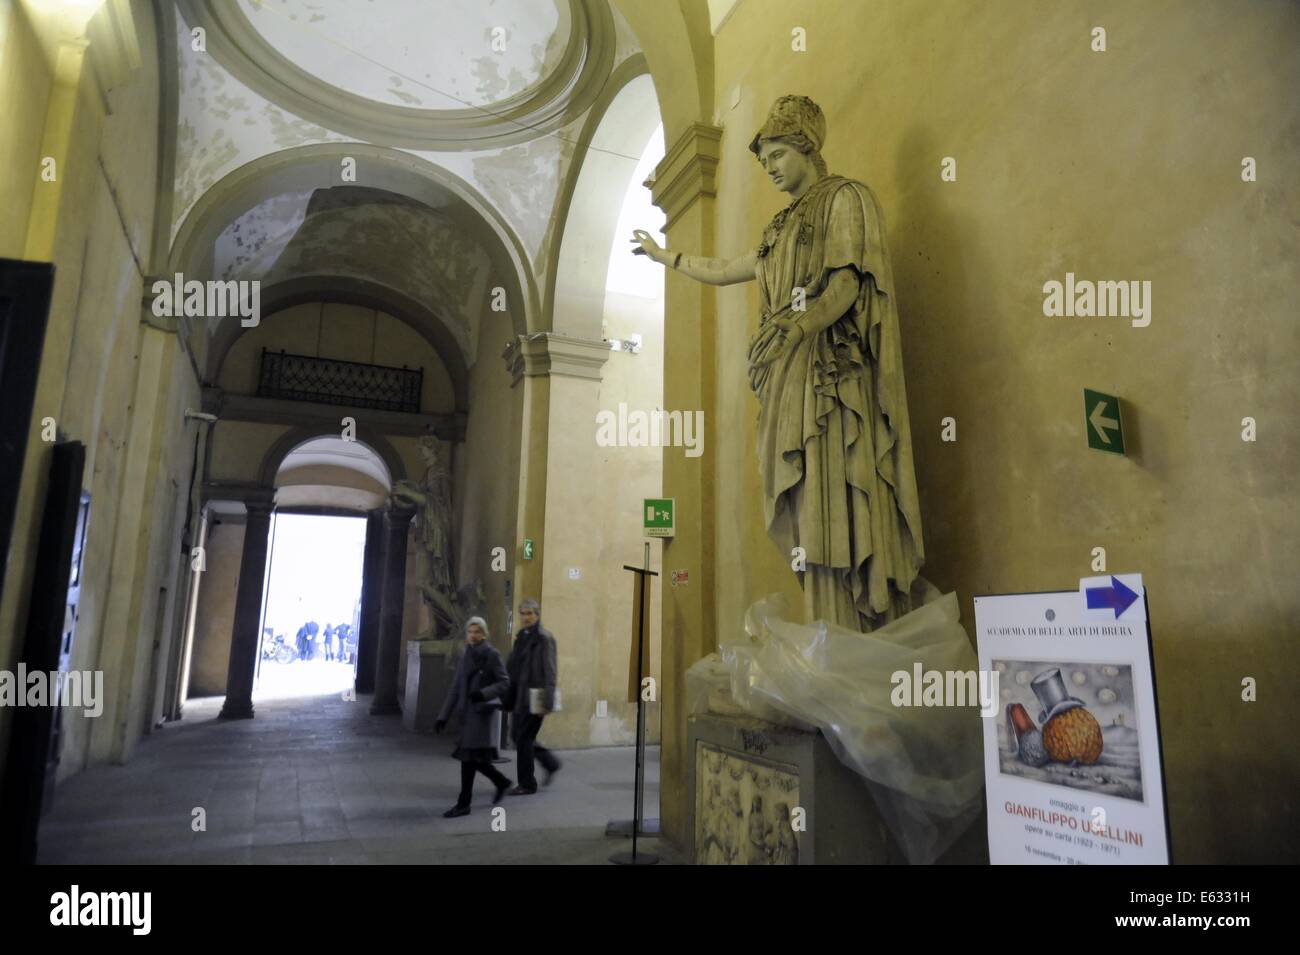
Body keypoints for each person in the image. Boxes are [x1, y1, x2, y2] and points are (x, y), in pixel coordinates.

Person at [631, 95, 925, 633]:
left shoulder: (846, 197)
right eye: (764, 158)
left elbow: (845, 282)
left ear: (807, 148)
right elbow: (726, 269)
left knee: (836, 480)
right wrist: (664, 256)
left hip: (832, 371)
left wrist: (799, 324)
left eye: (777, 154)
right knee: (803, 495)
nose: (768, 167)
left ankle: (853, 623)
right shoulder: (777, 229)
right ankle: (826, 629)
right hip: (786, 371)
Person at [435, 616, 513, 816]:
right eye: (470, 631)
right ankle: (501, 782)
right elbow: (456, 687)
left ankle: (464, 804)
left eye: (477, 631)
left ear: (484, 633)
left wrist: (483, 693)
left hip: (480, 714)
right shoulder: (465, 654)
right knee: (474, 760)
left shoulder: (491, 654)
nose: (473, 635)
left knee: (469, 760)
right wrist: (443, 716)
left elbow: (504, 682)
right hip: (466, 714)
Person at [503, 598, 560, 794]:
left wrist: (546, 702)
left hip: (535, 697)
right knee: (516, 736)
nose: (526, 617)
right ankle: (551, 763)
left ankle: (527, 783)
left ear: (537, 615)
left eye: (530, 613)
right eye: (523, 613)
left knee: (524, 738)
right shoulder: (522, 637)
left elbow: (550, 672)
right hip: (519, 696)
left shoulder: (544, 638)